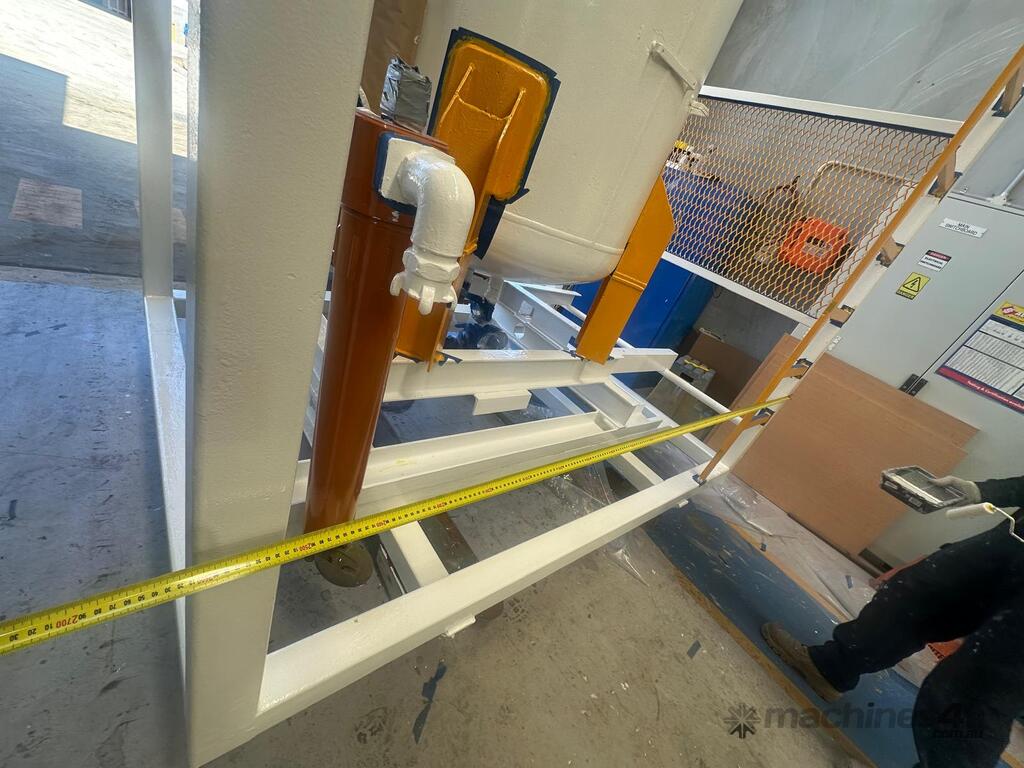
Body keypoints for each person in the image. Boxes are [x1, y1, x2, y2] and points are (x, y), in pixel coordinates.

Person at [762, 474, 1024, 768]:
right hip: (1016, 541)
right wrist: (981, 490)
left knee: (982, 682)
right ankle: (831, 667)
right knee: (919, 592)